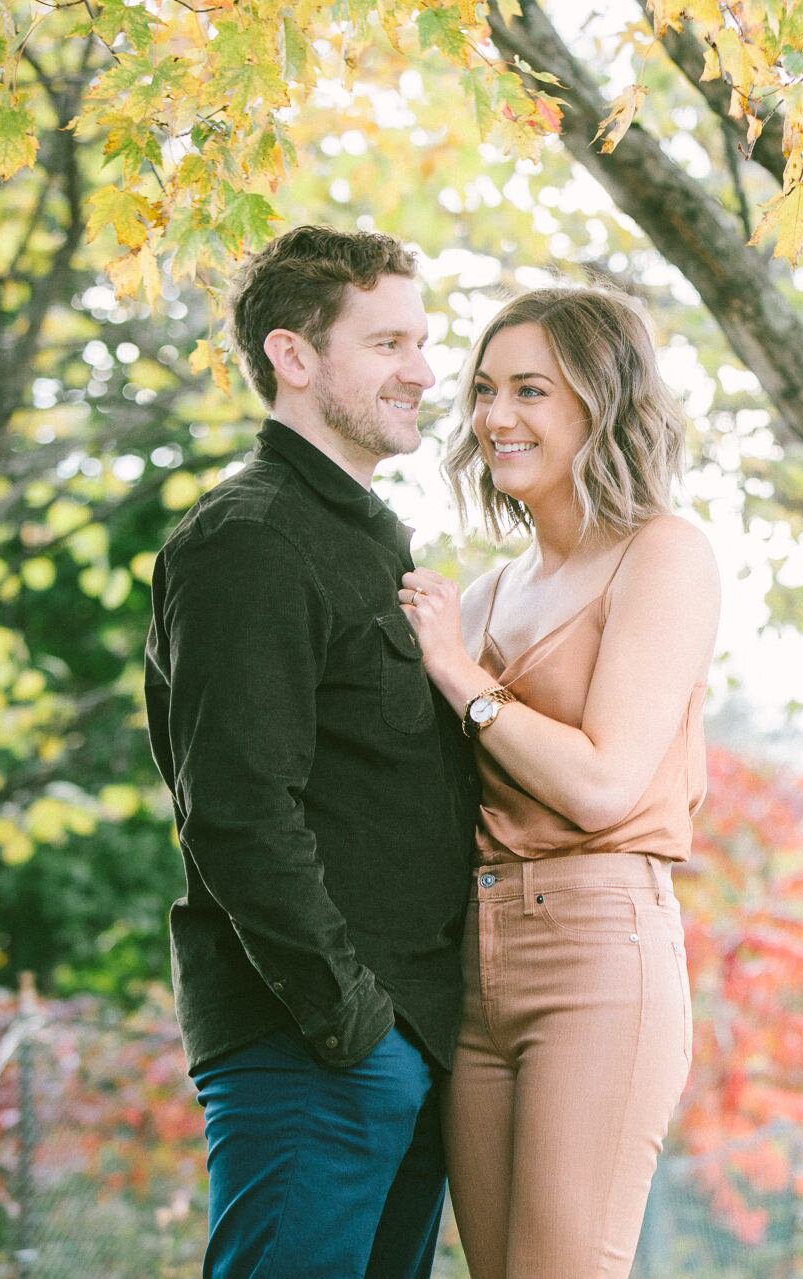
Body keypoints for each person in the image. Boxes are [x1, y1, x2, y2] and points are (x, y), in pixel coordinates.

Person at [143, 225, 475, 1277]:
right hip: (315, 1048)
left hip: (401, 1047)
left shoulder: (369, 542)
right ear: (294, 356)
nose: (422, 371)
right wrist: (351, 1025)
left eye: (422, 344)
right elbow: (238, 809)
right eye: (387, 344)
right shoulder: (251, 539)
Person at [397, 286, 720, 1278]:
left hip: (595, 953)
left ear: (600, 402)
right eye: (485, 390)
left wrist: (460, 675)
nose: (495, 417)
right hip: (475, 966)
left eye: (531, 390)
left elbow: (602, 783)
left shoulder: (662, 552)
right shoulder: (487, 593)